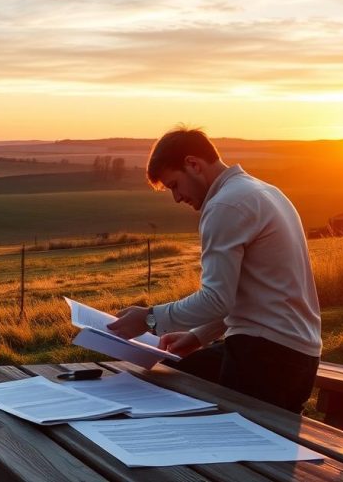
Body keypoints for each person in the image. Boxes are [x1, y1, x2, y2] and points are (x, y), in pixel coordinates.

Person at [107, 126, 321, 413]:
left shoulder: (225, 205)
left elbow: (217, 299)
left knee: (230, 445)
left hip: (264, 356)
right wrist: (196, 337)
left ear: (193, 164)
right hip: (296, 355)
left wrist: (148, 319)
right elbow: (247, 296)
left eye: (174, 185)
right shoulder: (265, 192)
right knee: (174, 374)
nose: (177, 198)